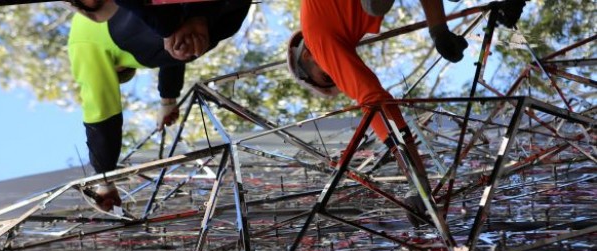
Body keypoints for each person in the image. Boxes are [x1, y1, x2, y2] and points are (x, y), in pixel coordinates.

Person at [287, 0, 468, 226]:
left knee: (371, 100)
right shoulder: (336, 19)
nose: (338, 77)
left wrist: (417, 182)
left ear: (306, 56)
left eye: (327, 77)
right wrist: (439, 31)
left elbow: (376, 105)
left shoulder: (318, 38)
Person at [68, 0, 251, 211]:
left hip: (187, 17)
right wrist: (168, 99)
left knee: (171, 46)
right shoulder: (99, 22)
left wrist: (104, 179)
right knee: (175, 48)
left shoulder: (80, 44)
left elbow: (100, 112)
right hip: (212, 13)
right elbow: (169, 55)